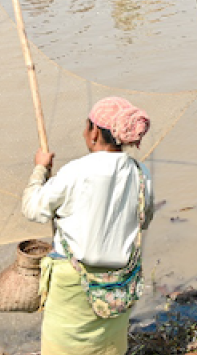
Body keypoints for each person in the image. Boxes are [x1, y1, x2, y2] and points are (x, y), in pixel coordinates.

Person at [23, 97, 153, 355]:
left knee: (64, 348)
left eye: (87, 126)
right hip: (119, 283)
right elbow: (144, 219)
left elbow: (33, 209)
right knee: (108, 347)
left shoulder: (76, 171)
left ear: (94, 132)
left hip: (75, 282)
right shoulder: (141, 173)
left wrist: (40, 169)